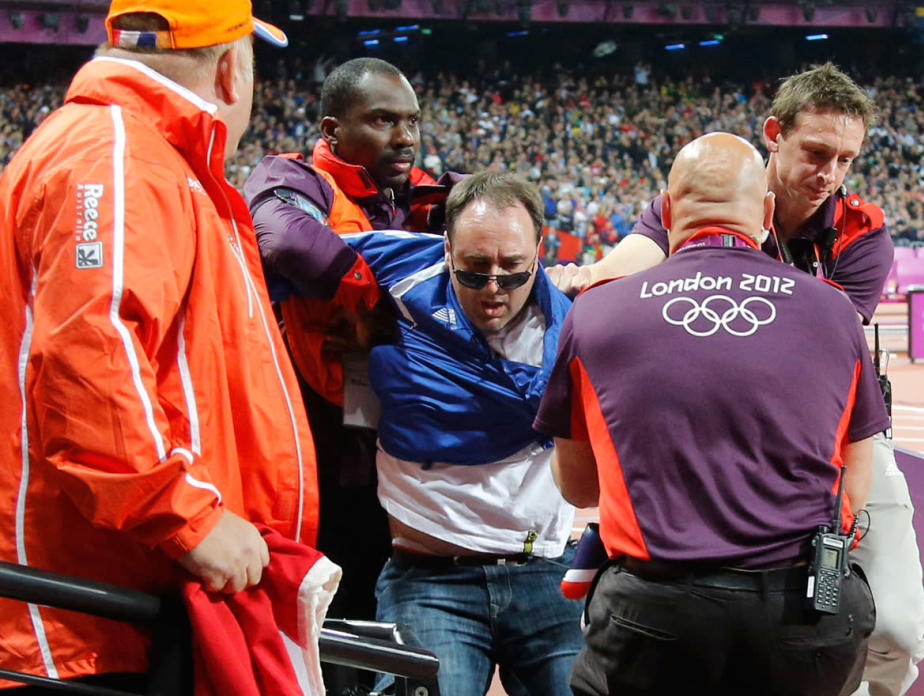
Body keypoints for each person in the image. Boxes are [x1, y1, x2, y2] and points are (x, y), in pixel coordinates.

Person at [549, 63, 924, 696]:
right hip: (715, 411)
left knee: (892, 623)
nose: (829, 175)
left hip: (827, 423)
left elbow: (807, 342)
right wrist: (583, 280)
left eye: (845, 160)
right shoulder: (708, 191)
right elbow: (628, 265)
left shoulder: (864, 232)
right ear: (774, 134)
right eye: (815, 153)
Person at [0, 0, 320, 691]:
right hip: (93, 615)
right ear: (233, 68)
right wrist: (189, 518)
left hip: (111, 597)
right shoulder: (116, 153)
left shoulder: (118, 149)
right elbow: (89, 353)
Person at [334, 171, 584, 696]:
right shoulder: (400, 266)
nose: (494, 288)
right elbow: (279, 243)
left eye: (513, 269)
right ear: (446, 248)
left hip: (547, 571)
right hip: (429, 579)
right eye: (474, 270)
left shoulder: (575, 315)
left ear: (539, 249)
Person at [243, 57, 456, 623]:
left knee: (397, 610)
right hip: (318, 440)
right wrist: (377, 299)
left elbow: (504, 239)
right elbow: (286, 241)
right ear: (333, 130)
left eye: (412, 121)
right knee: (323, 603)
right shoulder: (291, 178)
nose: (405, 137)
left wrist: (385, 319)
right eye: (384, 120)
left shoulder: (433, 195)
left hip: (409, 442)